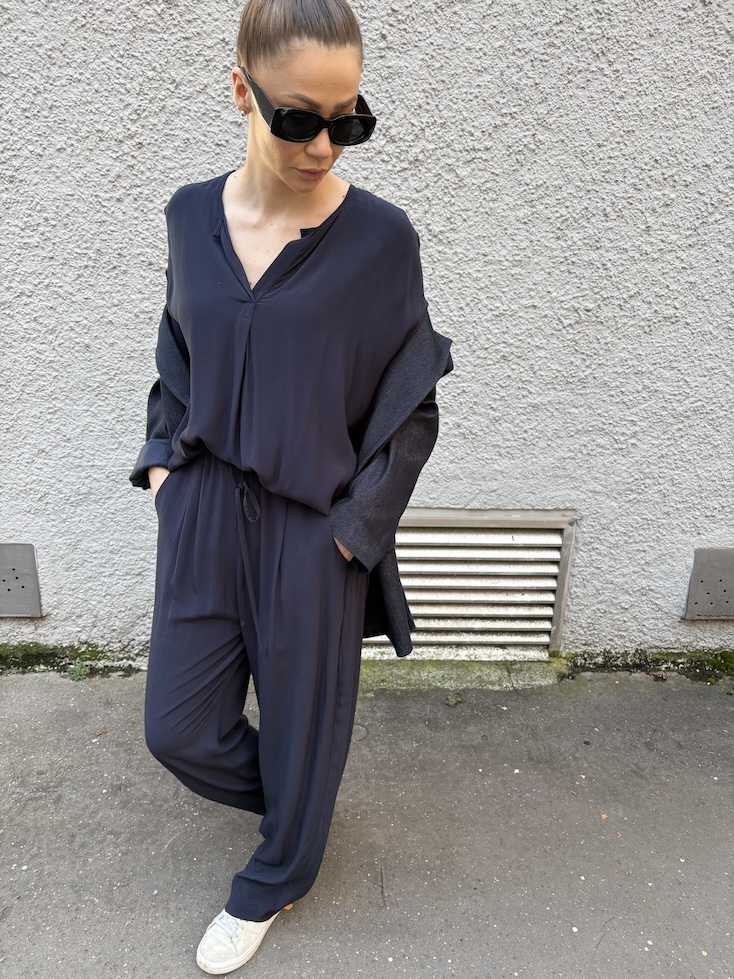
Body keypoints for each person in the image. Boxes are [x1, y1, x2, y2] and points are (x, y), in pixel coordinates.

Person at [130, 0, 452, 973]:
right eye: (299, 118)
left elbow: (410, 402)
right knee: (178, 728)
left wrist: (355, 530)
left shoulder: (380, 240)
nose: (324, 146)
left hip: (313, 526)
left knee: (306, 727)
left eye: (348, 120)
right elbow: (177, 351)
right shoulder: (189, 216)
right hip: (201, 507)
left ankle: (274, 875)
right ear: (241, 91)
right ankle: (298, 808)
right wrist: (161, 464)